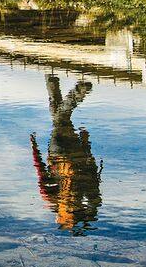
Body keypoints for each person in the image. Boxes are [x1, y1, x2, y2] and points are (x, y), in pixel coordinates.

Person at [30, 74, 102, 234]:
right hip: (58, 154)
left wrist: (86, 144)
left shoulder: (85, 195)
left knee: (60, 118)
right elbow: (41, 172)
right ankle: (77, 91)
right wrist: (35, 149)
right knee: (60, 118)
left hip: (76, 154)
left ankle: (51, 79)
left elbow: (92, 175)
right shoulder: (52, 200)